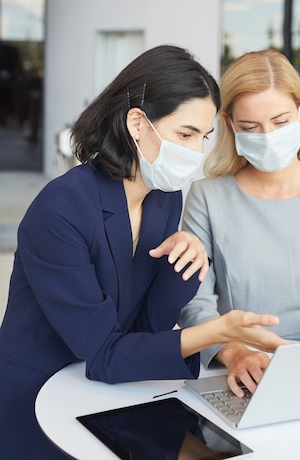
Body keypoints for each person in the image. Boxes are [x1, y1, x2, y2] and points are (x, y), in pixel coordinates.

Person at [0, 45, 282, 459]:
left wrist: (185, 260)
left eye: (203, 138)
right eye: (185, 134)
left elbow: (145, 328)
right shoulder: (61, 208)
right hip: (40, 398)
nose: (195, 152)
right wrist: (219, 331)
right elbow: (103, 352)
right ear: (137, 123)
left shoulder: (163, 197)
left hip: (107, 393)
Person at [179, 49, 300, 397]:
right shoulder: (206, 197)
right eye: (250, 127)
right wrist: (235, 352)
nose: (267, 136)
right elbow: (194, 303)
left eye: (280, 121)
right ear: (229, 124)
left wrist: (299, 363)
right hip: (235, 374)